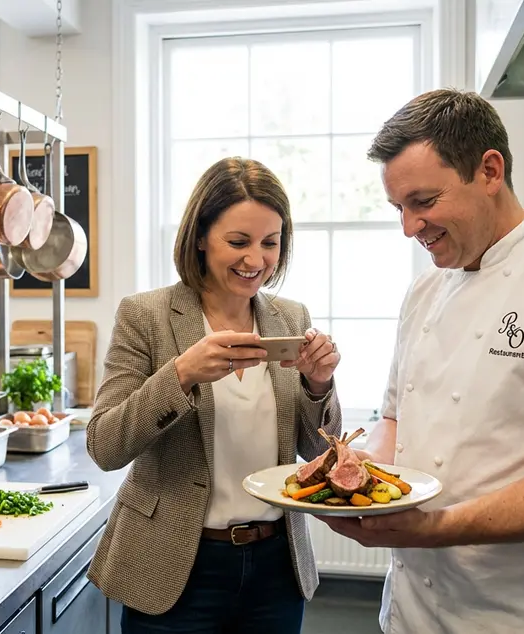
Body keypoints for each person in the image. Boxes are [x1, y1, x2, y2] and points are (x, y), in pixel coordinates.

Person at [320, 88, 524, 633]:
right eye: (398, 208)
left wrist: (434, 527)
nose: (409, 227)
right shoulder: (424, 291)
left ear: (490, 170)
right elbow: (397, 421)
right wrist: (349, 489)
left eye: (423, 203)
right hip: (412, 611)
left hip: (520, 616)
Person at [85, 156, 343, 633]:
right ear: (201, 237)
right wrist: (180, 374)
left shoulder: (290, 317)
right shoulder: (146, 316)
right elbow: (104, 446)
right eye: (238, 242)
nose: (256, 260)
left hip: (275, 567)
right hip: (173, 565)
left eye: (270, 242)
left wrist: (318, 384)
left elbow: (318, 451)